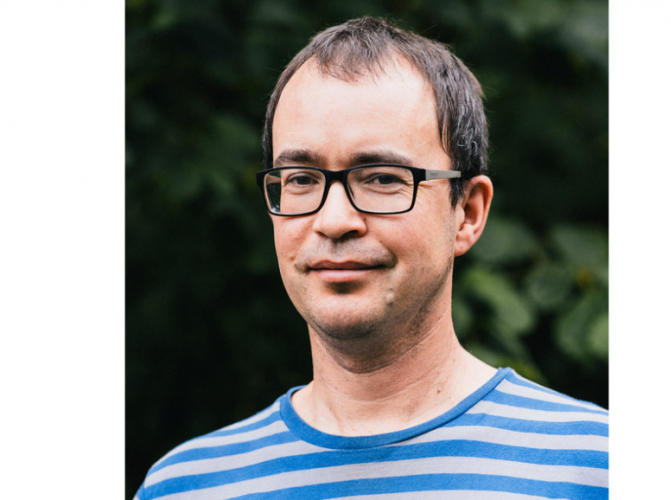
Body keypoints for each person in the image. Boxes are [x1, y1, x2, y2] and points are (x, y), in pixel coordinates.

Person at [134, 17, 608, 500]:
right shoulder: (185, 486)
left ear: (467, 213)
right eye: (300, 178)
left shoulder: (598, 468)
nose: (334, 220)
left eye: (382, 178)